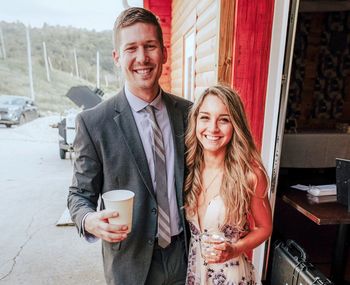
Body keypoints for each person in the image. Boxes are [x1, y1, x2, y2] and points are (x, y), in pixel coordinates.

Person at [67, 7, 192, 285]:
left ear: (164, 52)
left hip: (185, 256)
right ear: (116, 57)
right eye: (131, 48)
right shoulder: (93, 122)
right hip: (130, 264)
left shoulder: (189, 113)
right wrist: (89, 220)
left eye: (150, 46)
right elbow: (78, 195)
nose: (142, 58)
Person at [184, 85, 272, 284]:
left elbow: (265, 227)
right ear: (195, 121)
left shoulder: (250, 174)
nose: (213, 128)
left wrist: (235, 249)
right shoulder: (189, 168)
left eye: (224, 120)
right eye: (205, 117)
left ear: (235, 125)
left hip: (231, 275)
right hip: (195, 271)